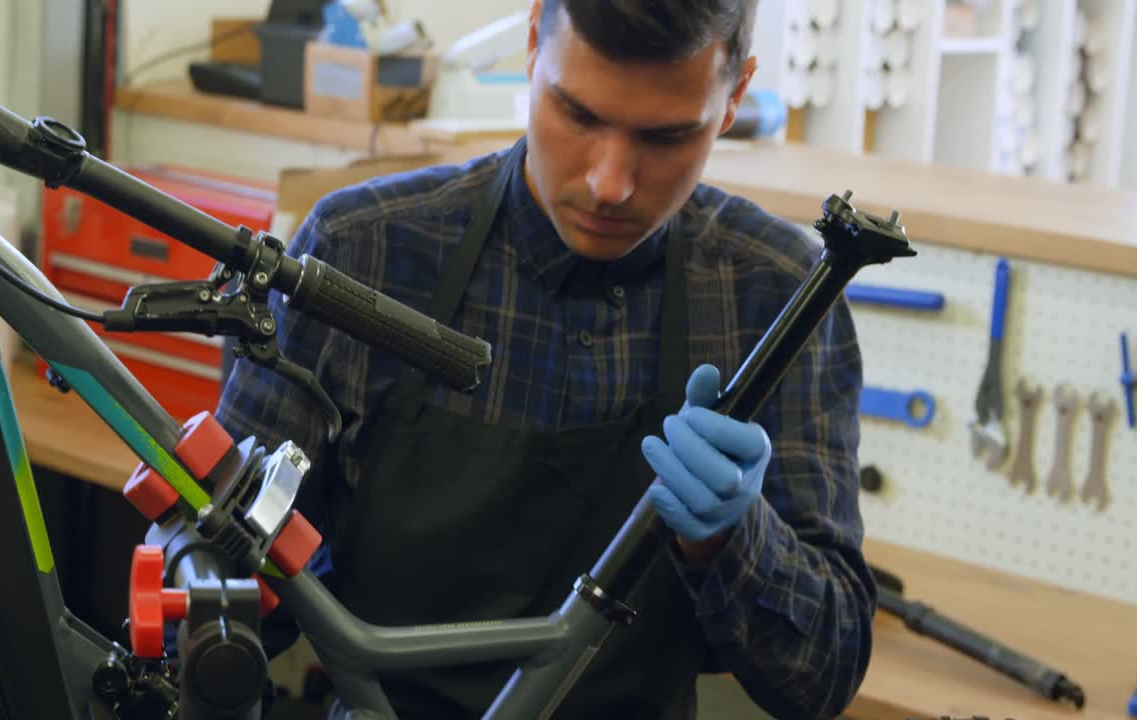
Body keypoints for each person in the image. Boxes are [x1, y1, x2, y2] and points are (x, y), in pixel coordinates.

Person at [216, 0, 877, 717]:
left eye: (665, 135)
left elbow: (822, 679)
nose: (609, 182)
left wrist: (732, 539)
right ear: (534, 43)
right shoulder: (358, 255)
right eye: (579, 115)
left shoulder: (774, 296)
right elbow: (226, 596)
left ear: (734, 99)